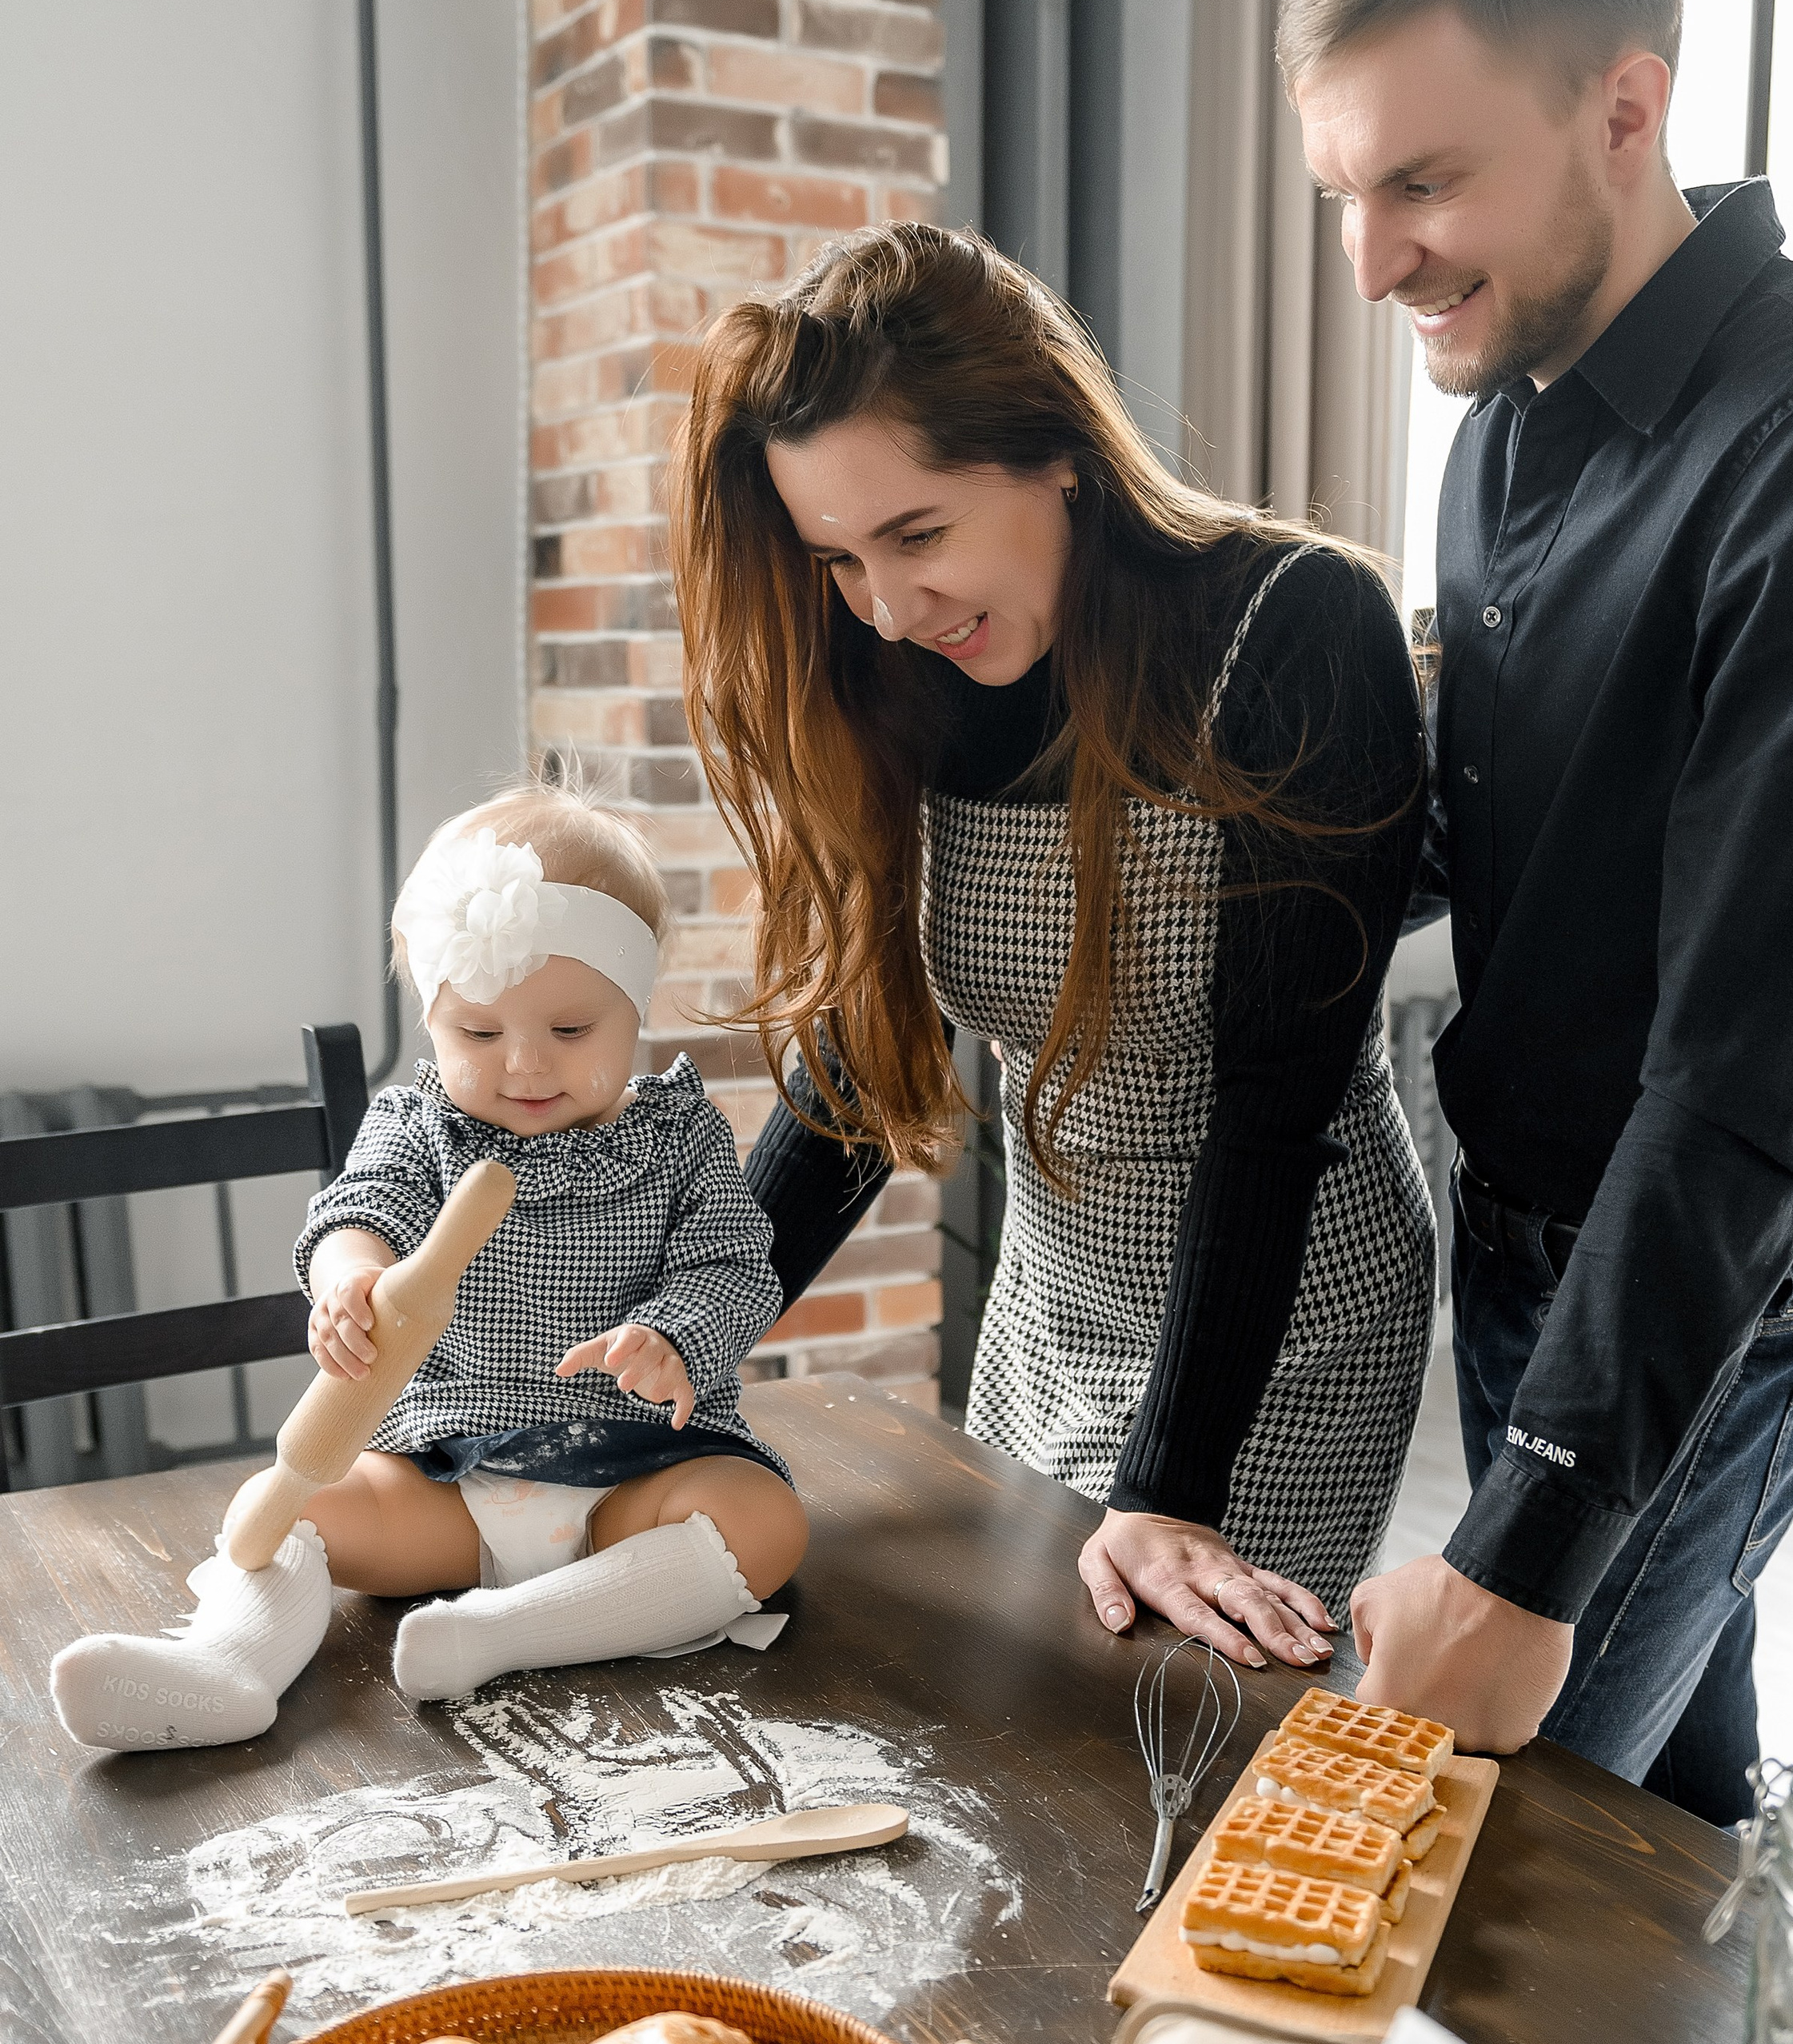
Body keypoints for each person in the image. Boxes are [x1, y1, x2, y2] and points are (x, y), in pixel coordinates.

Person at [1280, 0, 1793, 1818]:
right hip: (1523, 1245)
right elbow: (1509, 822)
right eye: (1342, 190)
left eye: (1422, 181)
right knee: (1663, 1825)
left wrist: (1525, 1529)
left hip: (1724, 1273)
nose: (1369, 260)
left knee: (1480, 1865)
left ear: (1624, 105)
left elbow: (1749, 1066)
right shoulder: (1496, 423)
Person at [673, 224, 1436, 1673]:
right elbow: (857, 1059)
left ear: (1059, 452)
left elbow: (1273, 1117)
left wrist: (1168, 1492)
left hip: (1276, 1341)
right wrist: (685, 1333)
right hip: (1052, 1304)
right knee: (1030, 1702)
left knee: (1169, 1724)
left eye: (917, 534)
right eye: (837, 556)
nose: (888, 607)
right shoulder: (917, 668)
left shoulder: (1293, 629)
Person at [50, 783, 807, 1750]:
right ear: (434, 1021)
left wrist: (672, 1334)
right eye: (479, 1035)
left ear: (633, 1006)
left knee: (766, 1521)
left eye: (570, 1032)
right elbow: (358, 1209)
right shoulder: (417, 1127)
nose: (524, 1065)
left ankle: (499, 1634)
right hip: (446, 1485)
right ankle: (225, 1663)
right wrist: (346, 1280)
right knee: (285, 1507)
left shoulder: (680, 1136)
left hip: (638, 1485)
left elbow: (734, 1264)